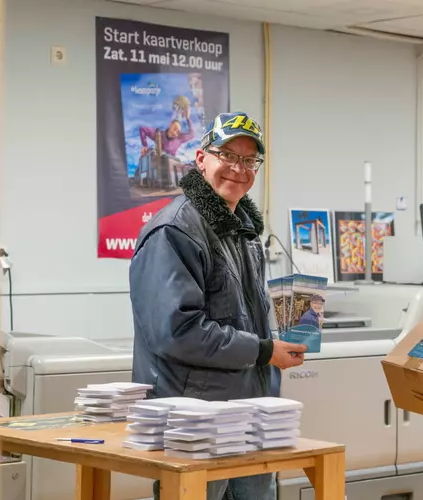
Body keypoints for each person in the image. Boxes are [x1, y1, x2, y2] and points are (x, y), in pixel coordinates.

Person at [129, 111, 308, 500]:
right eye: (227, 155)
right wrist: (264, 351)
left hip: (249, 417)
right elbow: (177, 332)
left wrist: (281, 338)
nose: (238, 169)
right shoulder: (174, 230)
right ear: (201, 159)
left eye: (249, 160)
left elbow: (245, 319)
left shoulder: (242, 234)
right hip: (194, 424)